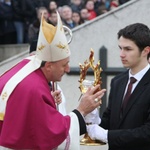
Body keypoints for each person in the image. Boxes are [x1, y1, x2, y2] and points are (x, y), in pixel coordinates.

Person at [0, 11, 106, 149]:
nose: (68, 69)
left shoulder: (27, 70)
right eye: (64, 65)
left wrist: (47, 102)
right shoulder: (34, 89)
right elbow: (52, 135)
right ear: (49, 65)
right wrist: (82, 110)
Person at [87, 23, 150, 150]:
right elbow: (109, 122)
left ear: (145, 51)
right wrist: (93, 118)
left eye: (128, 49)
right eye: (120, 48)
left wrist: (106, 135)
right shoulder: (117, 81)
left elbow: (147, 132)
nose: (121, 54)